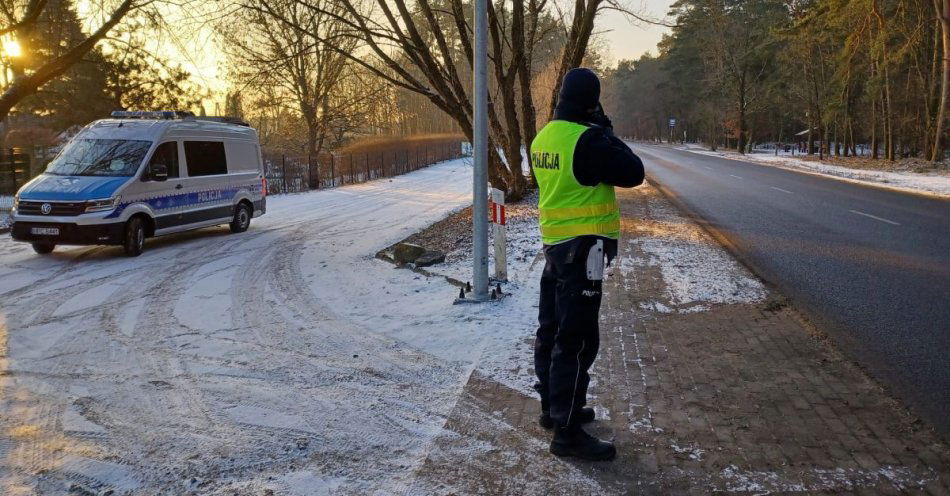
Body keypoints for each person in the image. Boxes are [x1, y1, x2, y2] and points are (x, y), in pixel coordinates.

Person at [531, 68, 644, 461]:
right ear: (591, 102)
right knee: (577, 340)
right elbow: (634, 172)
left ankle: (553, 408)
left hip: (555, 247)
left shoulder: (544, 137)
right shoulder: (589, 140)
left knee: (551, 329)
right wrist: (606, 131)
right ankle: (567, 434)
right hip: (585, 252)